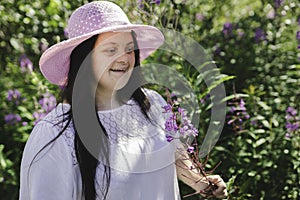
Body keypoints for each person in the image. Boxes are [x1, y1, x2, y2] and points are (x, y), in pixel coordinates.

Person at [19, 1, 228, 200]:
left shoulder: (152, 104)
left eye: (129, 49)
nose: (124, 58)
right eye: (111, 49)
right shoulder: (56, 134)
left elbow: (172, 152)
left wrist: (201, 182)